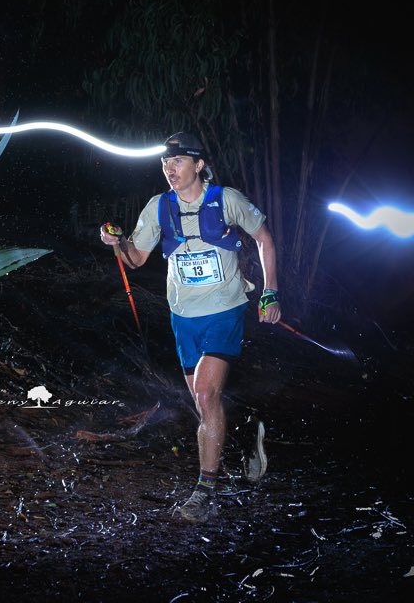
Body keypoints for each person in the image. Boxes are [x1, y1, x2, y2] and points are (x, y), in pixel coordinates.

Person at [99, 131, 281, 523]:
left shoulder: (226, 199)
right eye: (165, 163)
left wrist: (271, 293)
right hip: (183, 317)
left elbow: (264, 239)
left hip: (225, 311)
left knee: (203, 392)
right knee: (205, 405)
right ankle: (247, 436)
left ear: (198, 165)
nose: (170, 169)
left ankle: (203, 494)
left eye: (178, 161)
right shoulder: (158, 206)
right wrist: (116, 242)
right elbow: (136, 259)